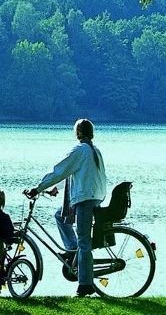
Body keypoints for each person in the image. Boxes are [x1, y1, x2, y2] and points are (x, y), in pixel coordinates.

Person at [27, 119, 107, 297]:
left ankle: (85, 285)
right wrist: (58, 188)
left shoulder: (80, 150)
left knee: (84, 242)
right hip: (94, 196)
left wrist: (38, 188)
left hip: (85, 199)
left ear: (78, 133)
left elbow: (61, 170)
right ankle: (72, 252)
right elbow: (77, 173)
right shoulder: (94, 150)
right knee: (59, 215)